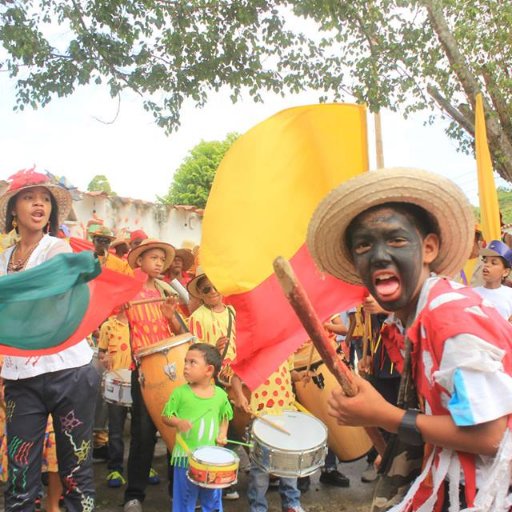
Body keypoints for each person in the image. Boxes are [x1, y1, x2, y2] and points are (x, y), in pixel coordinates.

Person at [307, 168, 512, 511]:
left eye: (397, 240)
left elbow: (489, 435)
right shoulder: (414, 320)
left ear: (429, 247)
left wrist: (384, 414)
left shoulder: (448, 317)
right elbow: (446, 412)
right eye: (364, 245)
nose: (379, 254)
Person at [0, 168, 99, 511]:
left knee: (76, 472)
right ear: (13, 208)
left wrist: (68, 273)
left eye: (44, 199)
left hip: (70, 373)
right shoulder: (2, 261)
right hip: (19, 379)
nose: (39, 204)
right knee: (19, 476)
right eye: (29, 197)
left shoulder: (57, 248)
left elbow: (56, 276)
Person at [123, 239, 186, 512]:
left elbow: (180, 331)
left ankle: (177, 493)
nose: (160, 263)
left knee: (175, 432)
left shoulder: (165, 291)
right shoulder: (128, 293)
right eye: (154, 258)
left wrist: (171, 316)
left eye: (162, 258)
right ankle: (134, 495)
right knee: (143, 434)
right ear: (140, 261)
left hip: (171, 370)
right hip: (144, 372)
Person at [162, 343, 233, 512]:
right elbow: (166, 416)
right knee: (184, 500)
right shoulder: (180, 393)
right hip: (184, 458)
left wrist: (223, 433)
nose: (185, 366)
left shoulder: (220, 395)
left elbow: (225, 416)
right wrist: (178, 422)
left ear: (209, 370)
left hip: (211, 461)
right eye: (185, 361)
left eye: (192, 362)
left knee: (212, 500)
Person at [187, 270, 239, 500]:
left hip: (233, 377)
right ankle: (207, 480)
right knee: (211, 429)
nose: (213, 291)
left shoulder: (232, 312)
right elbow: (196, 353)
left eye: (215, 286)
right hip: (211, 379)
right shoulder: (197, 317)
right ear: (200, 293)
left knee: (231, 428)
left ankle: (226, 477)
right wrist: (214, 350)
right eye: (207, 289)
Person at [232, 361, 306, 512]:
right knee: (260, 468)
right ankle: (258, 507)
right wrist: (239, 395)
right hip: (262, 417)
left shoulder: (285, 349)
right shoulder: (256, 350)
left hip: (286, 414)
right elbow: (236, 377)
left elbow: (289, 372)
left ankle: (291, 503)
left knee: (289, 463)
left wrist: (298, 376)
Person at [98, 309, 132, 487]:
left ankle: (143, 466)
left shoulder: (141, 323)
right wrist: (104, 359)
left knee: (142, 430)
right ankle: (115, 468)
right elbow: (101, 352)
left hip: (139, 381)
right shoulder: (108, 326)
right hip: (116, 383)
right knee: (116, 430)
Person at [473, 239, 512, 321]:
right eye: (485, 261)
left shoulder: (510, 294)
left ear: (505, 272)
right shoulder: (472, 293)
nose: (486, 265)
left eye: (493, 263)